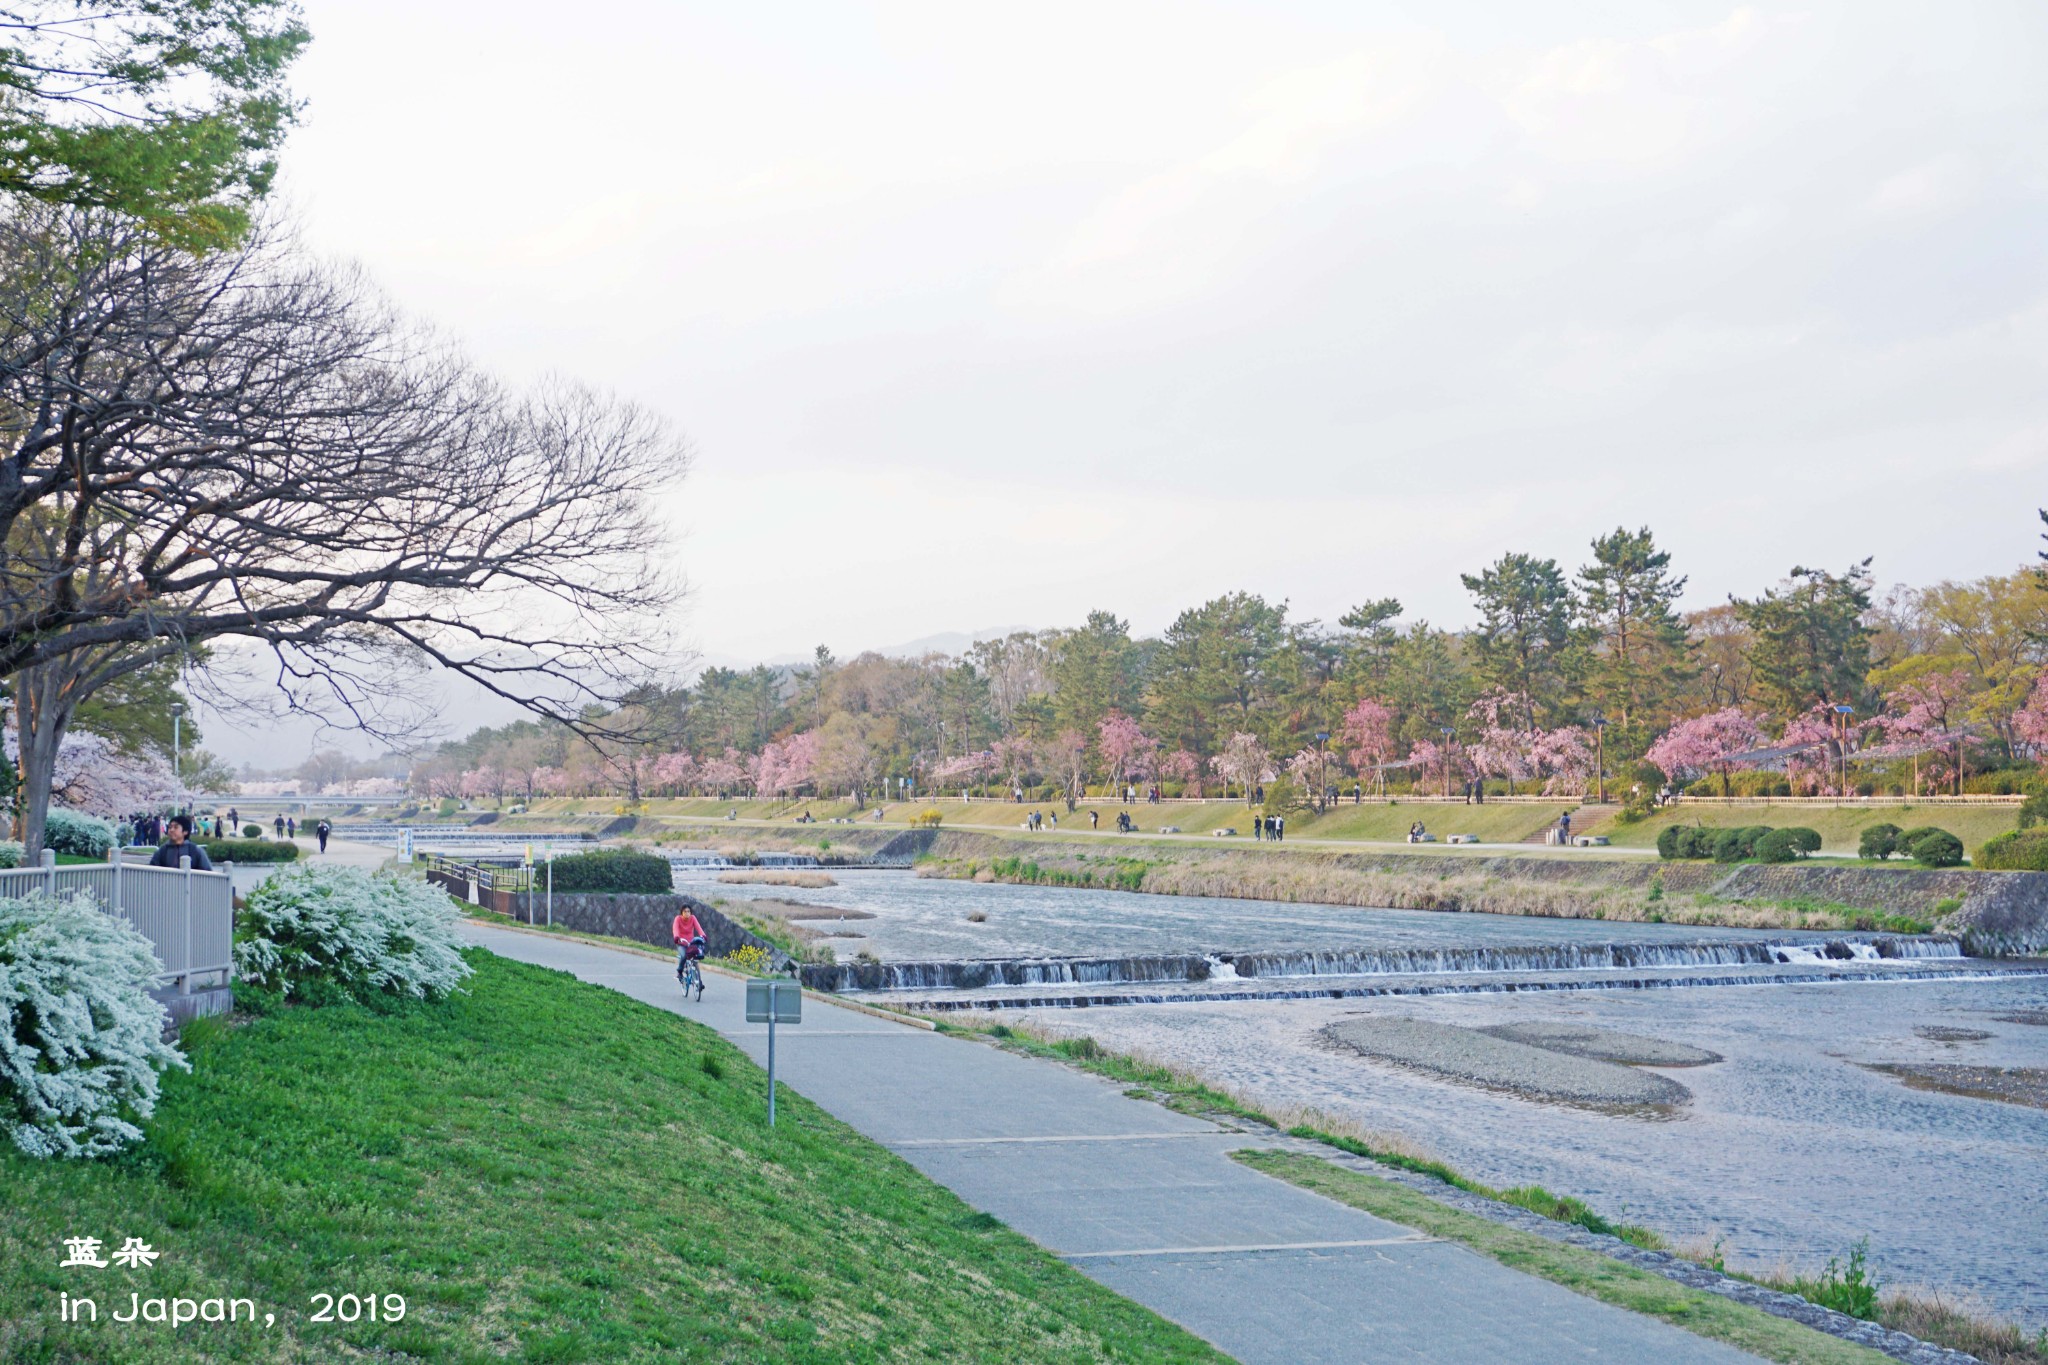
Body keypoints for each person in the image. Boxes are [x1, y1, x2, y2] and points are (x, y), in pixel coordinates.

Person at [150, 815, 214, 870]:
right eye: (170, 827)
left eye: (176, 827)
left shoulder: (195, 851)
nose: (171, 830)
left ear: (185, 831)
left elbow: (207, 874)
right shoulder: (162, 851)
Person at [671, 905, 707, 983]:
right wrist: (676, 937)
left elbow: (698, 928)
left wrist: (703, 936)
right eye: (685, 911)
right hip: (681, 942)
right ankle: (679, 972)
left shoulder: (693, 918)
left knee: (696, 956)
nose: (687, 913)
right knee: (684, 956)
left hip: (691, 942)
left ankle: (698, 981)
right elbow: (675, 929)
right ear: (681, 913)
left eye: (688, 911)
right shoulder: (678, 919)